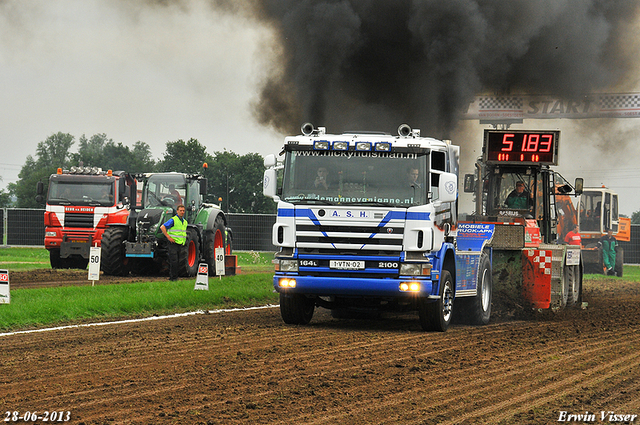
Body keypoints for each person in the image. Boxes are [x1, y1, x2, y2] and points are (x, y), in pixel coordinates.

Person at [160, 204, 187, 281]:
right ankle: (173, 278)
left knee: (178, 261)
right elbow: (163, 227)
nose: (182, 212)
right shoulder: (173, 220)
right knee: (174, 261)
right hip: (173, 243)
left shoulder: (185, 222)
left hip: (180, 243)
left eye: (183, 211)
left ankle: (175, 277)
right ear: (177, 211)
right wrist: (168, 237)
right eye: (180, 211)